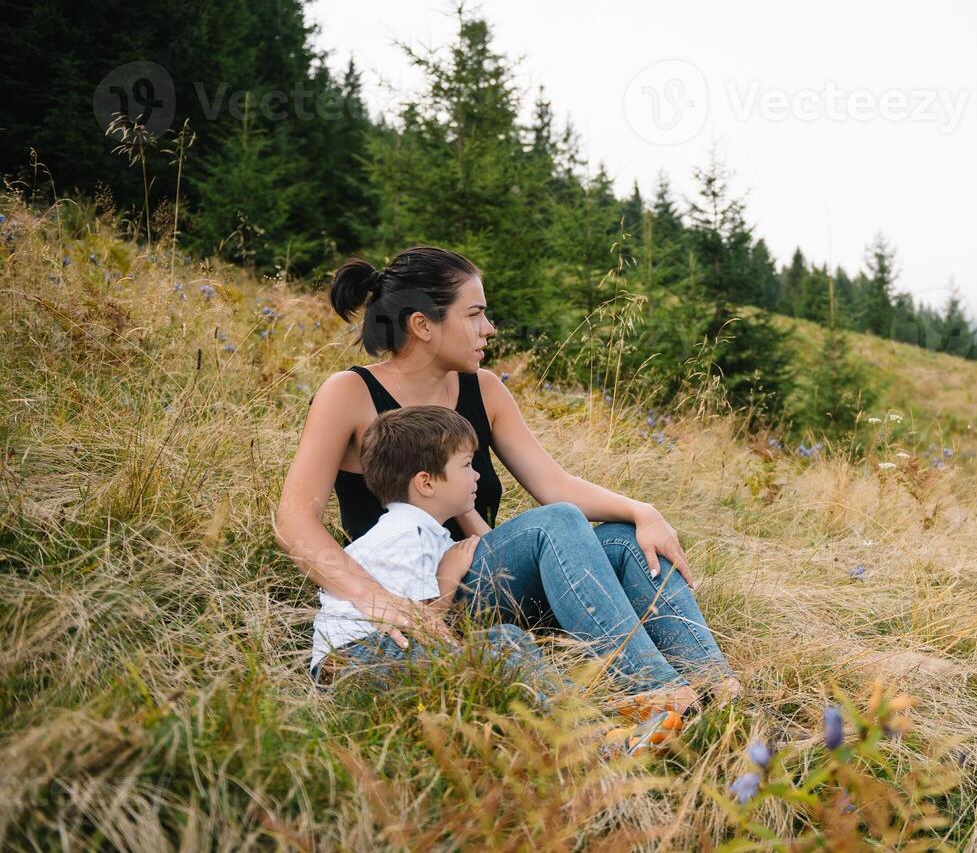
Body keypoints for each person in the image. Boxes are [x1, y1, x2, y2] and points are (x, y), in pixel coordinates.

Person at [276, 246, 741, 716]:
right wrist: (375, 599)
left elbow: (554, 483)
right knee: (552, 524)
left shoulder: (485, 389)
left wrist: (644, 511)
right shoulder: (349, 392)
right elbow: (294, 520)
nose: (489, 329)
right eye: (475, 314)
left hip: (486, 581)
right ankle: (654, 692)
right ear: (422, 325)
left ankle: (719, 695)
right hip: (415, 599)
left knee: (625, 540)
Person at [309, 405, 565, 710]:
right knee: (484, 668)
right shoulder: (405, 534)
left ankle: (574, 707)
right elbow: (425, 624)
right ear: (426, 483)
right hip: (356, 659)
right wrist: (449, 576)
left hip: (382, 650)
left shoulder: (427, 531)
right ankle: (574, 728)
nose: (477, 475)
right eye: (467, 465)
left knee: (506, 638)